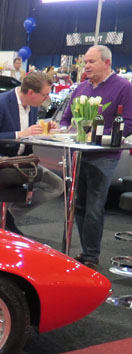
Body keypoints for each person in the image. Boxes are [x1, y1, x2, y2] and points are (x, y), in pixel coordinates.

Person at [59, 45, 132, 268]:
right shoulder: (81, 88)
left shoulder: (124, 88)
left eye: (91, 62)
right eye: (85, 62)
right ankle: (82, 251)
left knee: (94, 206)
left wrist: (95, 134)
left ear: (106, 63)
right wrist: (67, 129)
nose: (86, 66)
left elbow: (128, 124)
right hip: (78, 154)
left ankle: (91, 255)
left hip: (104, 155)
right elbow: (66, 119)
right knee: (78, 205)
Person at [0, 71, 64, 234]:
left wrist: (45, 131)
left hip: (20, 162)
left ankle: (4, 216)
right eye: (45, 95)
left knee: (57, 185)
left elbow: (28, 136)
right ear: (31, 93)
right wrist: (20, 134)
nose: (47, 98)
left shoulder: (33, 107)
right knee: (11, 181)